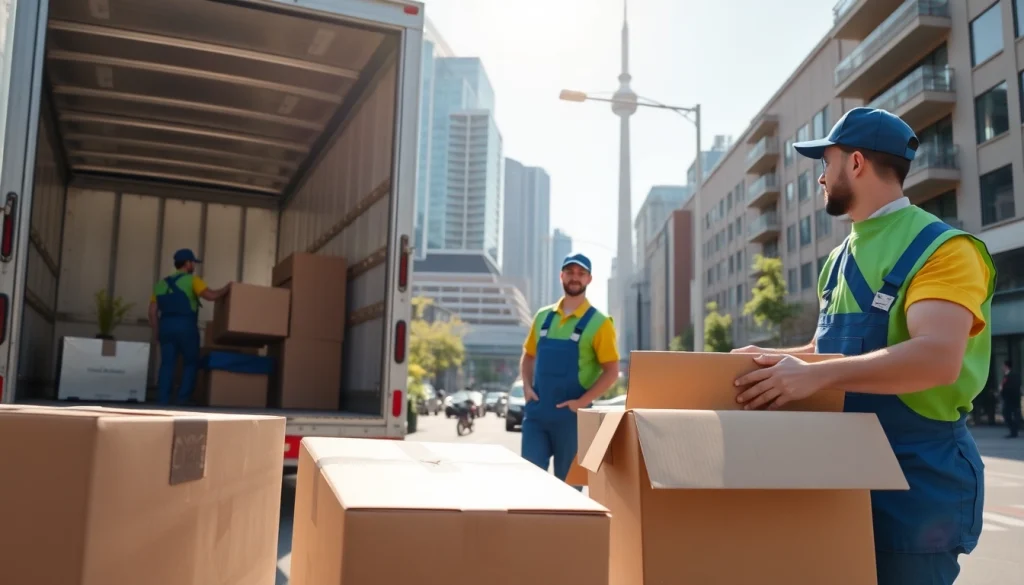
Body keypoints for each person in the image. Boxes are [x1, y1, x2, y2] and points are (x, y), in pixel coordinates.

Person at [730, 107, 995, 585]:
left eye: (824, 164)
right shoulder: (837, 259)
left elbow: (937, 358)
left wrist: (813, 375)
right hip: (842, 466)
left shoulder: (945, 249)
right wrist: (776, 361)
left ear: (855, 163)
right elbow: (828, 346)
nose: (819, 179)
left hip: (916, 480)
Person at [519, 253, 620, 487]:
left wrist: (582, 402)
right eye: (570, 272)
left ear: (589, 279)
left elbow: (612, 371)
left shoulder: (600, 323)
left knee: (569, 489)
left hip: (572, 420)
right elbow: (529, 355)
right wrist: (526, 386)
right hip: (537, 415)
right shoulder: (543, 317)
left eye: (581, 273)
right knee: (529, 482)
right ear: (561, 276)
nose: (575, 278)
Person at [148, 249, 229, 405]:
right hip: (185, 326)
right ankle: (182, 401)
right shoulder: (192, 281)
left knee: (167, 364)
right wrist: (227, 288)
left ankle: (162, 401)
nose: (194, 266)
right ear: (187, 263)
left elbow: (152, 312)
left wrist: (157, 331)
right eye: (193, 263)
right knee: (191, 363)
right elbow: (211, 296)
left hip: (166, 326)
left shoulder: (160, 284)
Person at [1000, 360, 1021, 438]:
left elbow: (1013, 387)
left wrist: (1003, 389)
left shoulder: (1014, 375)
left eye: (1003, 366)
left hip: (1012, 399)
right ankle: (1013, 431)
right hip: (1007, 399)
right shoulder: (1005, 376)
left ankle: (1014, 431)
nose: (1001, 367)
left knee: (1011, 414)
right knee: (1006, 415)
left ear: (1006, 366)